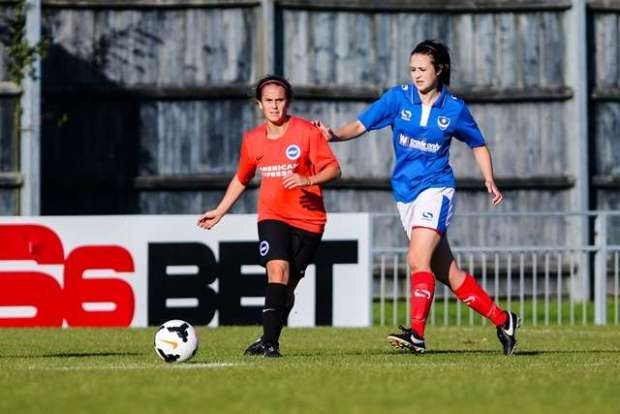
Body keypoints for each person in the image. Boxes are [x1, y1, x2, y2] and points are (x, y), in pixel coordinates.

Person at [314, 40, 520, 355]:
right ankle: (504, 320)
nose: (416, 75)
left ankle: (417, 336)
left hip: (436, 190)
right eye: (413, 69)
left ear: (440, 70)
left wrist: (488, 178)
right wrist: (334, 135)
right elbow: (361, 123)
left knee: (416, 259)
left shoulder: (454, 108)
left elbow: (477, 144)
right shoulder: (398, 98)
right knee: (447, 272)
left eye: (423, 69)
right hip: (406, 194)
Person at [197, 75, 341, 357]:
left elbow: (334, 169)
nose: (274, 106)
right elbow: (241, 179)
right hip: (272, 217)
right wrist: (220, 211)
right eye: (268, 101)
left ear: (288, 102)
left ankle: (269, 336)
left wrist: (306, 179)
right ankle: (270, 343)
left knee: (287, 287)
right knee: (277, 272)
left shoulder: (306, 132)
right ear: (259, 105)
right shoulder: (252, 140)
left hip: (310, 221)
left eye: (279, 100)